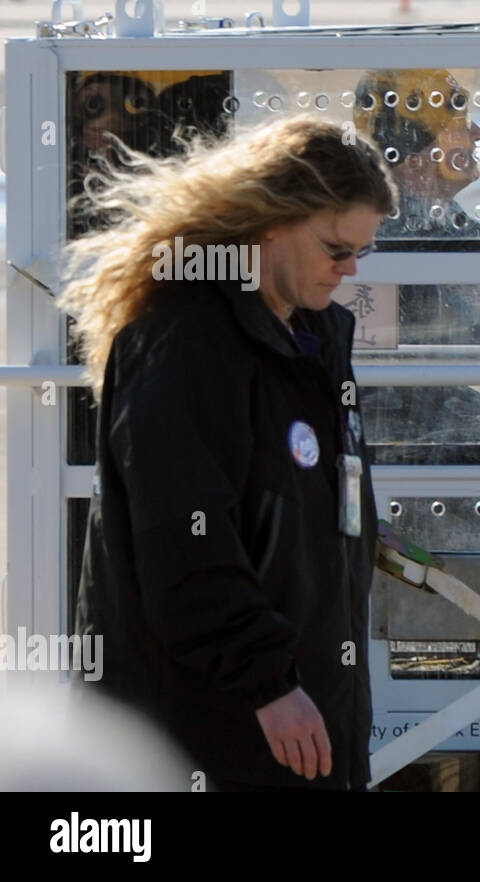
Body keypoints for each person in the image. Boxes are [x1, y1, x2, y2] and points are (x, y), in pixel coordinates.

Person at [60, 116, 397, 791]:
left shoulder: (314, 337)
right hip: (203, 730)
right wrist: (268, 683)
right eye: (336, 248)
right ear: (271, 222)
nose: (351, 269)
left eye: (361, 251)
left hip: (306, 709)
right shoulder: (186, 342)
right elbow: (184, 540)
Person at [352, 69, 480, 465]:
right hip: (442, 479)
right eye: (460, 125)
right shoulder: (375, 244)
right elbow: (378, 400)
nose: (477, 133)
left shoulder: (454, 225)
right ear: (415, 150)